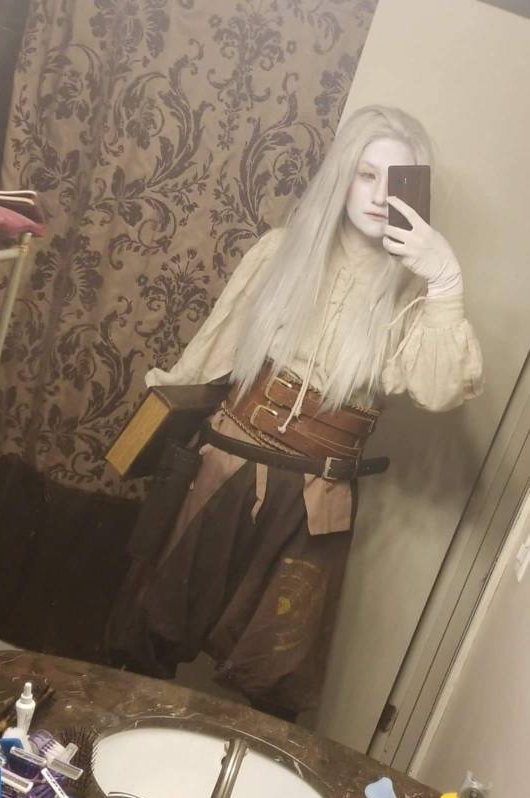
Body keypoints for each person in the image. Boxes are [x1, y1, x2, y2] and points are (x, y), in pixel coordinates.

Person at [107, 105, 483, 720]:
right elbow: (208, 356)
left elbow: (439, 390)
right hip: (225, 464)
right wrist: (155, 423)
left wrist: (446, 280)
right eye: (365, 174)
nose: (378, 196)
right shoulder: (280, 252)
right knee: (153, 627)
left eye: (395, 181)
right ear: (342, 176)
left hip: (315, 496)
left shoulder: (415, 296)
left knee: (273, 675)